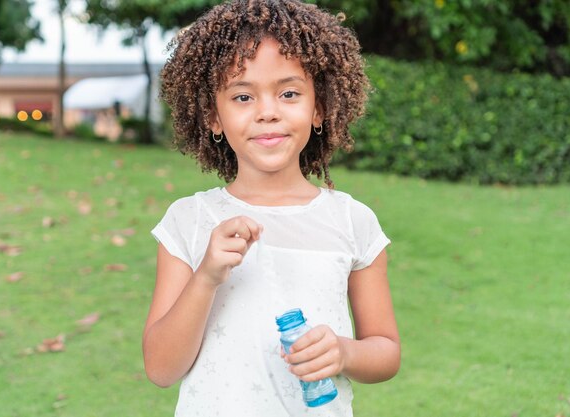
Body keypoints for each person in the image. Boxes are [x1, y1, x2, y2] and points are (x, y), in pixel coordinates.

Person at [142, 1, 400, 416]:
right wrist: (207, 276)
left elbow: (385, 352)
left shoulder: (353, 222)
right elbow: (160, 368)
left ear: (318, 107)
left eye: (289, 93)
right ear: (213, 115)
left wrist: (343, 353)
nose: (267, 112)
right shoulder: (189, 222)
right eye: (243, 96)